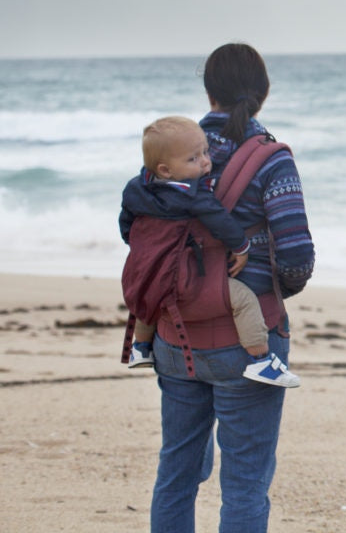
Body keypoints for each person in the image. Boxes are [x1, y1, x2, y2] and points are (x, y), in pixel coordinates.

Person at [148, 43, 315, 533]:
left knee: (176, 471)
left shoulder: (168, 157)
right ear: (262, 94)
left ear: (209, 92)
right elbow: (297, 256)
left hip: (174, 334)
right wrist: (271, 289)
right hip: (249, 340)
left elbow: (137, 232)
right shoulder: (270, 160)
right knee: (244, 483)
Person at [119, 115, 300, 388]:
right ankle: (260, 359)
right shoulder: (192, 194)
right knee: (243, 299)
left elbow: (126, 224)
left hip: (149, 270)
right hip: (188, 279)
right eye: (194, 159)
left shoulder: (135, 188)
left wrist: (143, 248)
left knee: (148, 295)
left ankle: (141, 346)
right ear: (166, 170)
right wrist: (241, 247)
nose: (206, 162)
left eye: (205, 152)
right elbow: (220, 221)